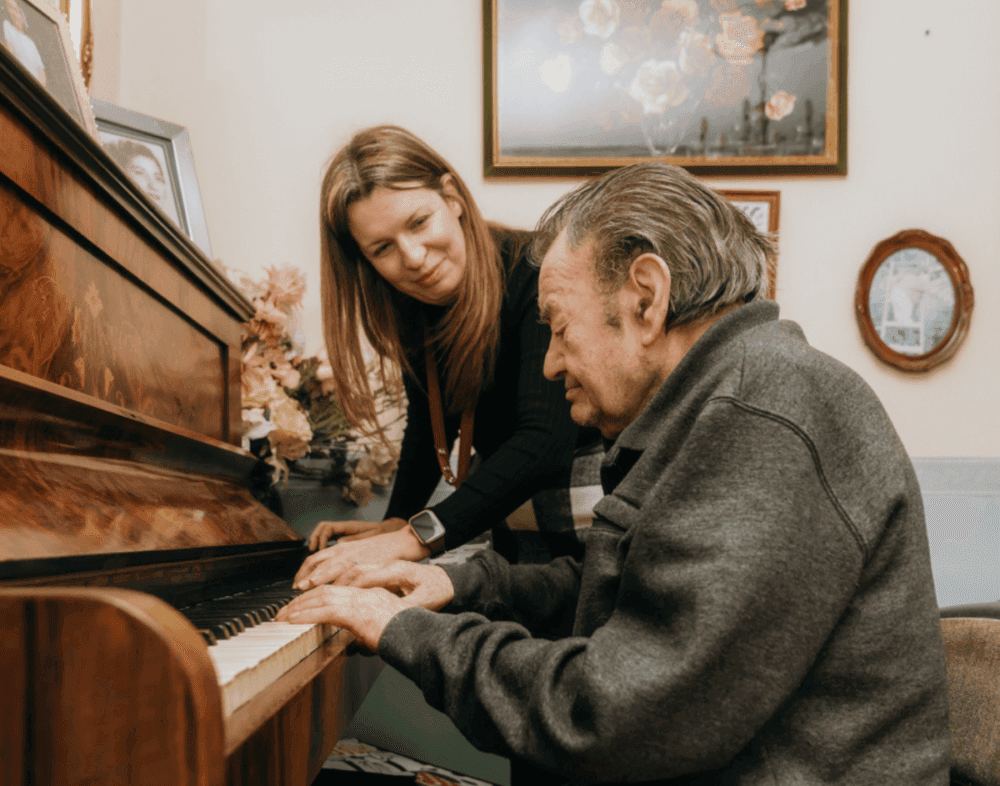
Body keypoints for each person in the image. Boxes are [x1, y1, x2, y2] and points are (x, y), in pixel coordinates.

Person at [278, 161, 952, 785]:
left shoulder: (767, 410)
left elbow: (613, 715)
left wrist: (402, 631)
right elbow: (616, 584)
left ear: (646, 299)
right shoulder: (721, 400)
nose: (547, 365)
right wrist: (457, 581)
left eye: (559, 329)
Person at [294, 125, 602, 590]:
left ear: (452, 197)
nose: (413, 257)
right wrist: (395, 521)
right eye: (382, 248)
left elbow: (544, 443)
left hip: (592, 524)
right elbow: (429, 425)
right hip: (518, 533)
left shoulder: (536, 268)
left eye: (418, 223)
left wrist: (414, 537)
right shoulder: (414, 306)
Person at [1, 0, 47, 86]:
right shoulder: (8, 26)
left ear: (22, 16)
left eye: (16, 10)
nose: (15, 14)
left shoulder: (31, 43)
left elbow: (41, 71)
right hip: (21, 79)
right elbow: (10, 53)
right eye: (11, 9)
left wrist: (39, 87)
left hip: (35, 86)